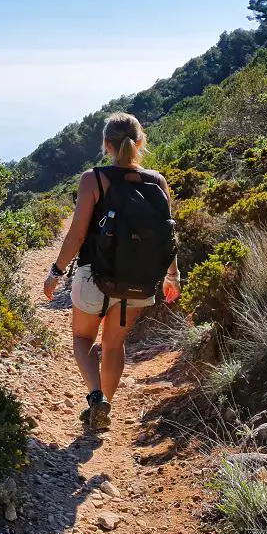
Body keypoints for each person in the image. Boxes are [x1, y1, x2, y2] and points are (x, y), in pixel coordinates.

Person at [43, 112, 181, 430]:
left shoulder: (94, 179)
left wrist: (56, 271)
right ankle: (106, 402)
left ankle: (96, 398)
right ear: (140, 142)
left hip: (95, 279)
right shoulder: (157, 182)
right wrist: (173, 275)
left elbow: (77, 234)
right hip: (140, 283)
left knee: (81, 337)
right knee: (114, 345)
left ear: (106, 145)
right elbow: (168, 237)